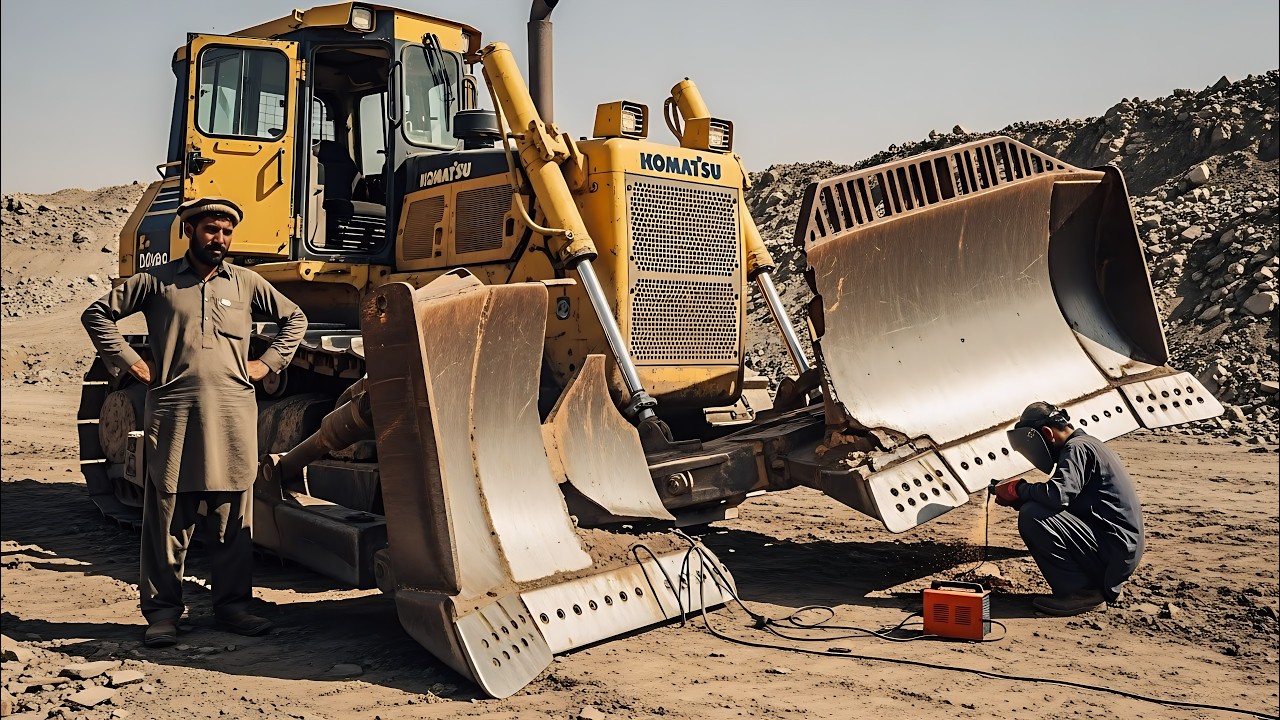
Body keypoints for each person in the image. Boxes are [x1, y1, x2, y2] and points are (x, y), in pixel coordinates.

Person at [82, 197, 308, 647]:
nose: (219, 239)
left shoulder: (246, 282)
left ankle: (232, 608)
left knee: (231, 515)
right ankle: (163, 613)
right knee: (169, 514)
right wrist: (131, 362)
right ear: (190, 231)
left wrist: (267, 363)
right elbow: (97, 314)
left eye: (226, 232)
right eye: (211, 230)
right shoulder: (156, 281)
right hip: (174, 413)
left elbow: (294, 318)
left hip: (232, 414)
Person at [995, 401, 1144, 617]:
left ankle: (1083, 593)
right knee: (1032, 508)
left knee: (1032, 515)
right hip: (1118, 550)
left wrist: (1019, 489)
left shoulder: (1076, 448)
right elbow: (1068, 501)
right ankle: (1096, 586)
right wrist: (1017, 499)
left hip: (1114, 551)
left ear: (1047, 433)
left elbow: (1057, 495)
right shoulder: (1090, 444)